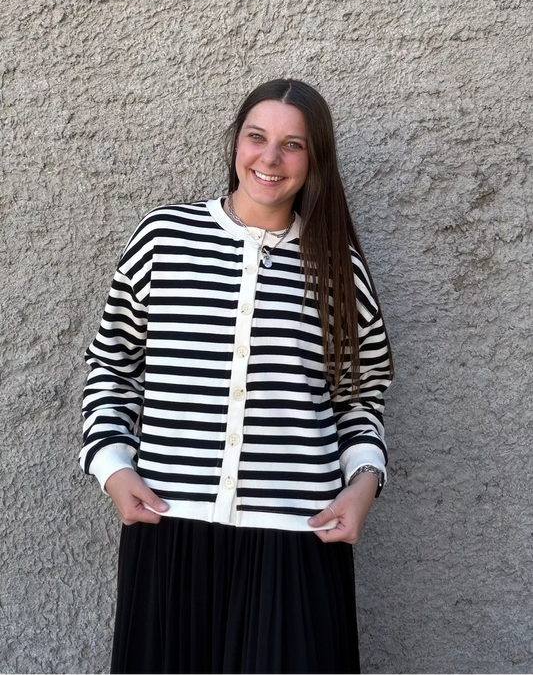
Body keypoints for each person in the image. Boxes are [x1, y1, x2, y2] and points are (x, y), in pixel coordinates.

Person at [80, 78, 393, 675]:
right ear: (236, 145)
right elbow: (112, 366)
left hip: (297, 538)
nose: (269, 159)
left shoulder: (336, 267)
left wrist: (363, 484)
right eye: (257, 137)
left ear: (315, 160)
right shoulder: (163, 240)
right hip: (171, 531)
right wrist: (113, 468)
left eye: (292, 145)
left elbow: (361, 394)